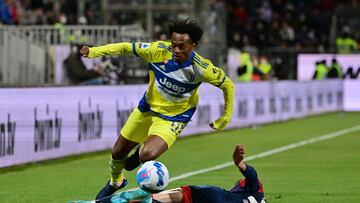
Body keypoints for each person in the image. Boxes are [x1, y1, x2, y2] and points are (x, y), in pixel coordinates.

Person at [79, 19, 234, 200]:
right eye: (174, 45)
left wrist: (225, 117)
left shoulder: (202, 68)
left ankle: (141, 157)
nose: (176, 50)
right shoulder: (157, 50)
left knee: (147, 155)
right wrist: (94, 51)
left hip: (174, 117)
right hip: (147, 109)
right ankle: (116, 182)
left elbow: (228, 85)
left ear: (193, 45)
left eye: (182, 46)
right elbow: (126, 47)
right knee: (117, 153)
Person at [69, 144, 266, 203]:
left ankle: (107, 195)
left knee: (148, 198)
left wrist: (240, 163)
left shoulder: (257, 191)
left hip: (210, 196)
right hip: (210, 198)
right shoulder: (257, 197)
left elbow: (252, 176)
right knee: (153, 199)